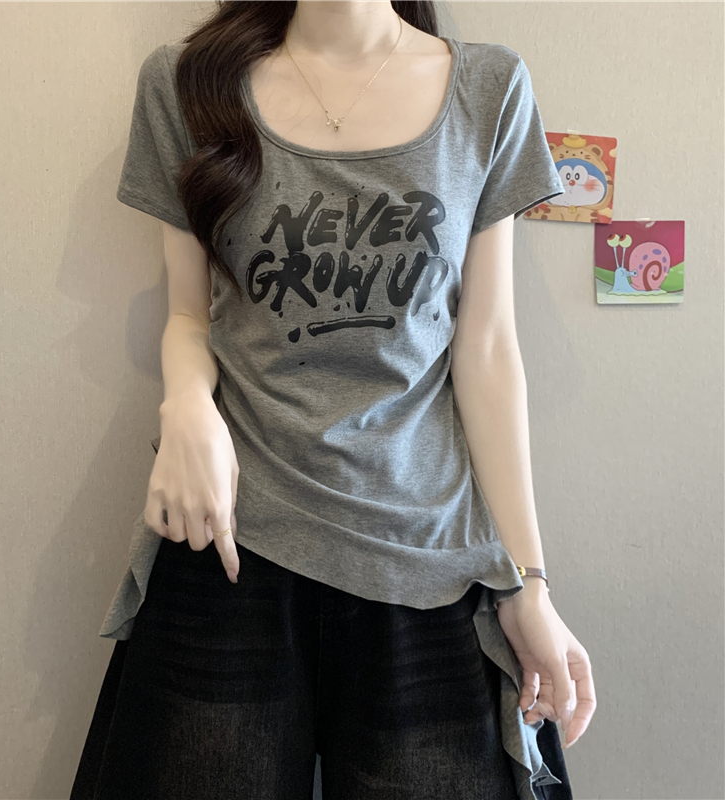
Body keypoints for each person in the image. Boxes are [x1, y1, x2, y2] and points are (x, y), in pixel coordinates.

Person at [70, 2, 596, 798]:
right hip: (231, 543)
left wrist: (529, 584)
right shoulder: (186, 85)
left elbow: (487, 350)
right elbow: (187, 315)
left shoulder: (489, 88)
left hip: (427, 564)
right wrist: (185, 407)